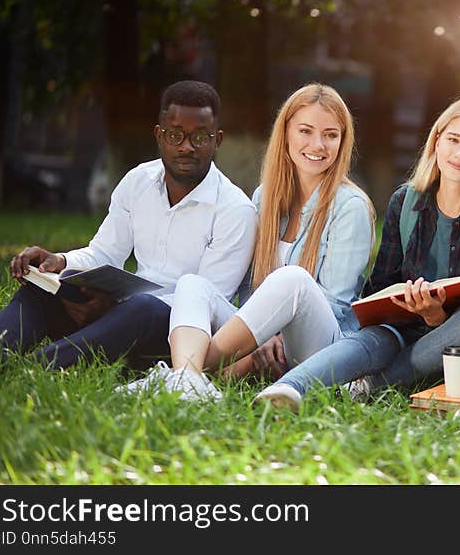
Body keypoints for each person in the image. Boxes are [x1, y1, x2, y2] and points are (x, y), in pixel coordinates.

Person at [253, 96, 460, 411]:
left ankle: (371, 384)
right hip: (403, 332)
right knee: (372, 338)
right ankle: (287, 387)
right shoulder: (405, 202)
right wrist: (393, 305)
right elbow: (382, 283)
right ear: (437, 141)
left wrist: (435, 315)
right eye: (453, 140)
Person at [119, 83, 375, 401]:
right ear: (286, 135)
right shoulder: (265, 197)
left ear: (343, 140)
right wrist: (259, 339)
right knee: (192, 285)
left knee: (293, 279)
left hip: (322, 350)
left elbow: (335, 307)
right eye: (306, 131)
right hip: (266, 343)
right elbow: (249, 294)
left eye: (331, 135)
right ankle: (188, 379)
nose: (318, 144)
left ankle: (178, 375)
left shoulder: (350, 206)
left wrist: (270, 331)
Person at [0, 80, 257, 370]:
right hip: (122, 315)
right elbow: (104, 253)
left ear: (217, 140)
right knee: (45, 288)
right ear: (159, 135)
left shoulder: (235, 210)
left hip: (177, 338)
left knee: (143, 308)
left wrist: (117, 307)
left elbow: (205, 304)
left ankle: (39, 368)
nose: (186, 147)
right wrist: (60, 261)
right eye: (175, 135)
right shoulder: (137, 181)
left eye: (200, 138)